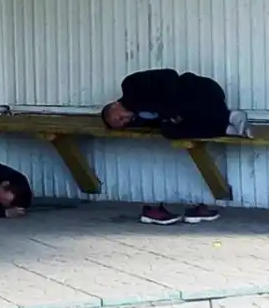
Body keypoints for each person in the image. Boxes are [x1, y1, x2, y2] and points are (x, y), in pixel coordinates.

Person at [101, 68, 252, 225]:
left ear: (115, 105)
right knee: (170, 131)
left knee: (181, 109)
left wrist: (170, 112)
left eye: (119, 117)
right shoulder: (139, 119)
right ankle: (227, 128)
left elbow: (169, 75)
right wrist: (170, 118)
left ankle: (230, 116)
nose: (124, 120)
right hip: (199, 114)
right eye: (122, 124)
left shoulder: (131, 86)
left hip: (201, 90)